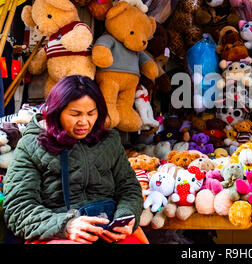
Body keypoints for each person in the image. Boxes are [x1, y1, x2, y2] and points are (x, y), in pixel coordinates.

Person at [3, 75, 147, 244]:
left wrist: (125, 217)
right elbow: (18, 207)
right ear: (57, 112)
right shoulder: (31, 145)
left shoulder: (109, 140)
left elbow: (129, 188)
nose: (84, 122)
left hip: (107, 227)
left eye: (91, 113)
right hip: (57, 233)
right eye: (75, 114)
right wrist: (66, 225)